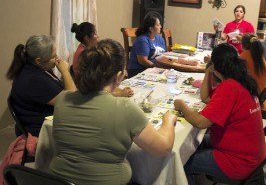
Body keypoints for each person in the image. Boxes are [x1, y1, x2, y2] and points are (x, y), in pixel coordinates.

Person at [50, 38, 177, 185]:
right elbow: (163, 148)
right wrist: (168, 119)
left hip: (59, 180)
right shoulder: (125, 107)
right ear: (118, 77)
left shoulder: (62, 99)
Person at [174, 43, 266, 184]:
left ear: (216, 67)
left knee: (181, 163)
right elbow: (205, 98)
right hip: (248, 153)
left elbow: (200, 122)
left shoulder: (229, 87)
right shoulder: (240, 80)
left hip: (240, 161)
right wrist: (208, 72)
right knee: (193, 142)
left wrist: (182, 106)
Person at [6, 35, 76, 137]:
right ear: (38, 60)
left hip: (38, 122)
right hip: (40, 130)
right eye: (53, 56)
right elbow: (71, 99)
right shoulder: (34, 79)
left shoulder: (30, 68)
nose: (57, 58)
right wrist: (65, 71)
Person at [71, 22, 133, 97]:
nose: (98, 36)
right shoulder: (85, 55)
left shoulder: (83, 49)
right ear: (87, 38)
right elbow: (96, 89)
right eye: (95, 34)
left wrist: (118, 89)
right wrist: (120, 93)